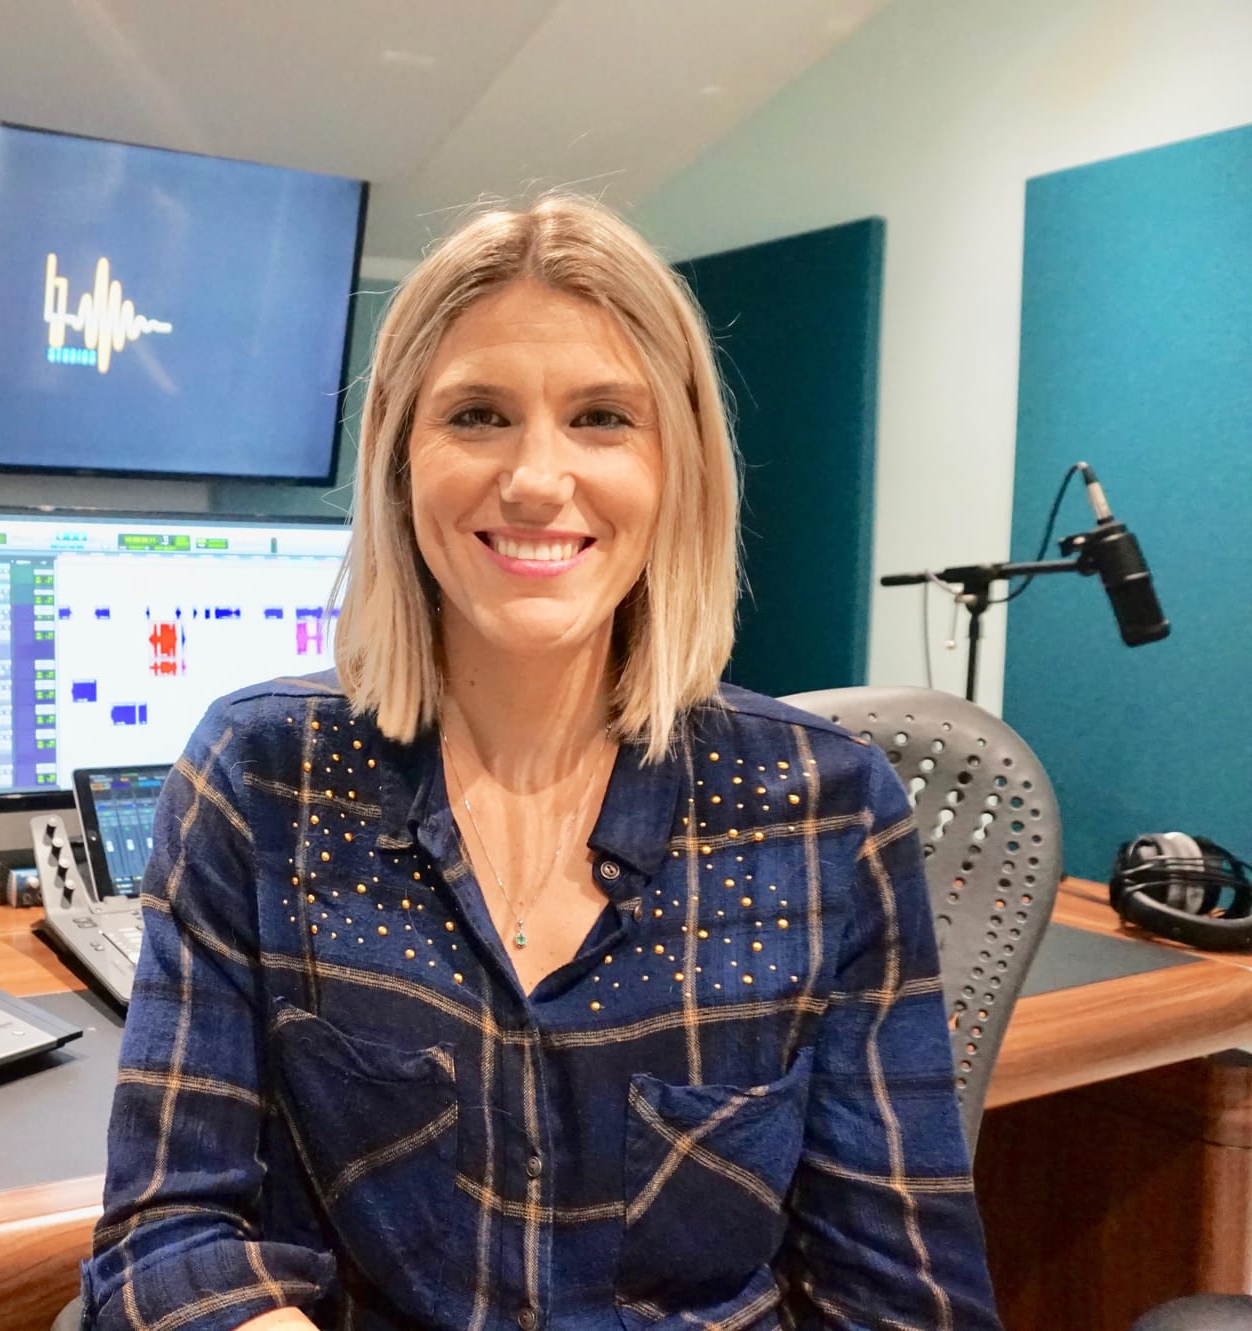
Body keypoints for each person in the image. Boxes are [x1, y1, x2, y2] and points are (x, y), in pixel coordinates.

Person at [80, 194, 1002, 1331]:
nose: (532, 478)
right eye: (476, 414)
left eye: (602, 417)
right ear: (396, 459)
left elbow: (904, 1299)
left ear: (677, 468)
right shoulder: (260, 775)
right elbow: (166, 1236)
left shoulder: (824, 810)